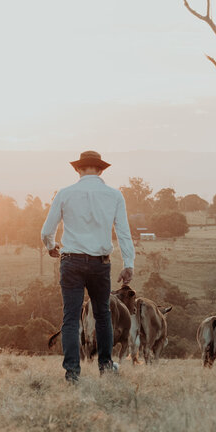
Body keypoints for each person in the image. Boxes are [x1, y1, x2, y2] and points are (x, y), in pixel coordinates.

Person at [40, 150, 135, 383]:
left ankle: (72, 372)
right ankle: (105, 366)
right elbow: (123, 232)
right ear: (101, 169)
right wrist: (128, 263)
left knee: (71, 318)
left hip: (71, 261)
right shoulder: (114, 195)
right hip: (100, 264)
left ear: (78, 169)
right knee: (103, 315)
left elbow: (46, 231)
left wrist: (52, 246)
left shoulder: (65, 194)